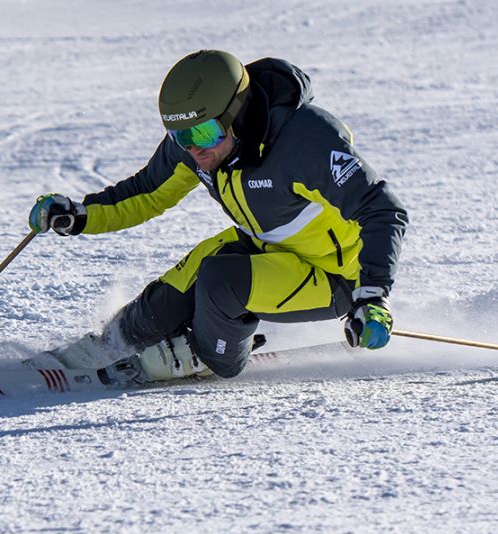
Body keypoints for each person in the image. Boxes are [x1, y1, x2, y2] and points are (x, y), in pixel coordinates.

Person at [28, 50, 408, 383]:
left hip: (334, 275)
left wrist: (372, 294)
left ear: (236, 114)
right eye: (180, 135)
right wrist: (79, 216)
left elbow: (382, 209)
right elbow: (146, 192)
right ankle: (109, 345)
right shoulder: (196, 140)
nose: (194, 148)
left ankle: (209, 355)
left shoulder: (305, 141)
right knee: (169, 296)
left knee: (220, 281)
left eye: (206, 132)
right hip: (265, 246)